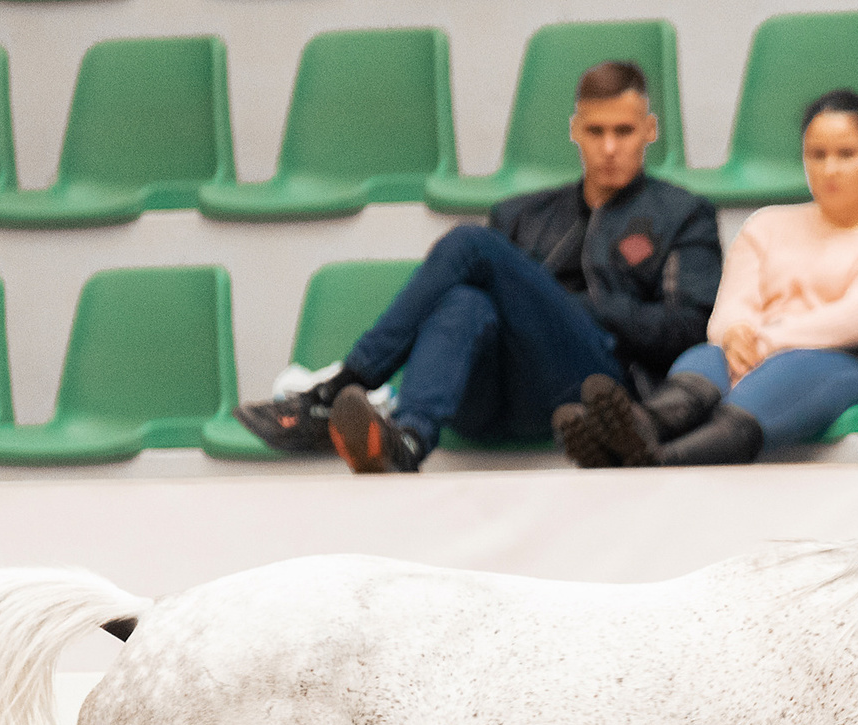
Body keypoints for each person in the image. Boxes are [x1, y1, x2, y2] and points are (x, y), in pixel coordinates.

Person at [232, 61, 721, 474]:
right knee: (465, 301)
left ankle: (340, 387)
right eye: (596, 131)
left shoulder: (681, 214)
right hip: (492, 393)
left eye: (624, 131)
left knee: (471, 244)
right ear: (575, 131)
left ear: (650, 131)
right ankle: (407, 441)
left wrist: (581, 306)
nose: (609, 147)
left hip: (594, 390)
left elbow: (688, 327)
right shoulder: (522, 214)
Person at [556, 90, 858, 469]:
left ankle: (652, 461)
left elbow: (857, 319)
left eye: (846, 154)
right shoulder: (766, 225)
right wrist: (735, 334)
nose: (830, 169)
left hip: (846, 361)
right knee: (702, 358)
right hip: (746, 352)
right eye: (817, 154)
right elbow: (732, 305)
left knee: (780, 376)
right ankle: (639, 428)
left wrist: (763, 342)